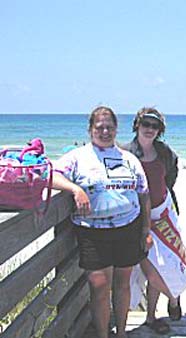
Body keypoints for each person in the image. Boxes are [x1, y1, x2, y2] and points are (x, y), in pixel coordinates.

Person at [52, 106, 152, 338]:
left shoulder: (129, 159)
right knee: (98, 286)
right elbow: (52, 175)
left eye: (110, 127)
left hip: (128, 228)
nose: (105, 131)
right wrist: (75, 189)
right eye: (100, 127)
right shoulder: (78, 156)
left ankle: (121, 333)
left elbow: (144, 192)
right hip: (92, 232)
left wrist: (146, 229)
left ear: (116, 130)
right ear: (90, 130)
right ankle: (102, 334)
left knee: (123, 284)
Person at [123, 107, 186, 335]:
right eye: (146, 124)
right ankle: (173, 298)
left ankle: (151, 316)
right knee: (149, 268)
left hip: (164, 215)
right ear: (137, 125)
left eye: (155, 126)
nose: (150, 129)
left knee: (168, 264)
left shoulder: (164, 152)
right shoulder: (125, 153)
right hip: (136, 218)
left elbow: (169, 179)